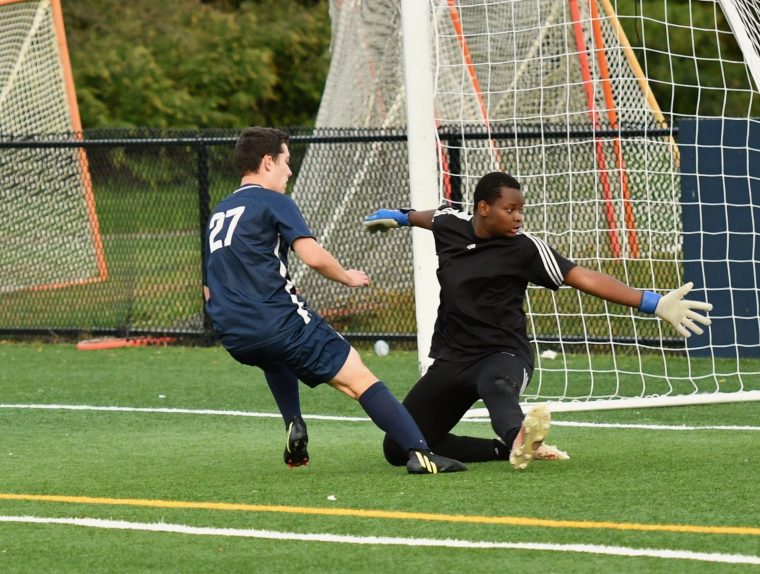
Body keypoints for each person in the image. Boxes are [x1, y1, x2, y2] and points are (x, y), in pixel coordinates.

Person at [364, 171, 712, 470]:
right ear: (484, 209)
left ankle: (520, 436)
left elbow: (584, 277)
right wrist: (400, 216)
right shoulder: (450, 224)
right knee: (398, 448)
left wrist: (652, 302)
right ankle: (506, 450)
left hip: (503, 355)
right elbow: (431, 217)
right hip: (453, 358)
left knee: (498, 388)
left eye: (521, 210)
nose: (519, 218)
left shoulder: (525, 249)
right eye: (510, 209)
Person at [203, 127, 465, 474]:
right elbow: (311, 255)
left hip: (235, 335)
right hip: (279, 324)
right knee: (358, 378)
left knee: (273, 355)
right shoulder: (275, 201)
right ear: (268, 162)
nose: (289, 171)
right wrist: (346, 276)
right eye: (286, 161)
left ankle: (293, 422)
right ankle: (419, 453)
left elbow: (209, 288)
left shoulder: (220, 212)